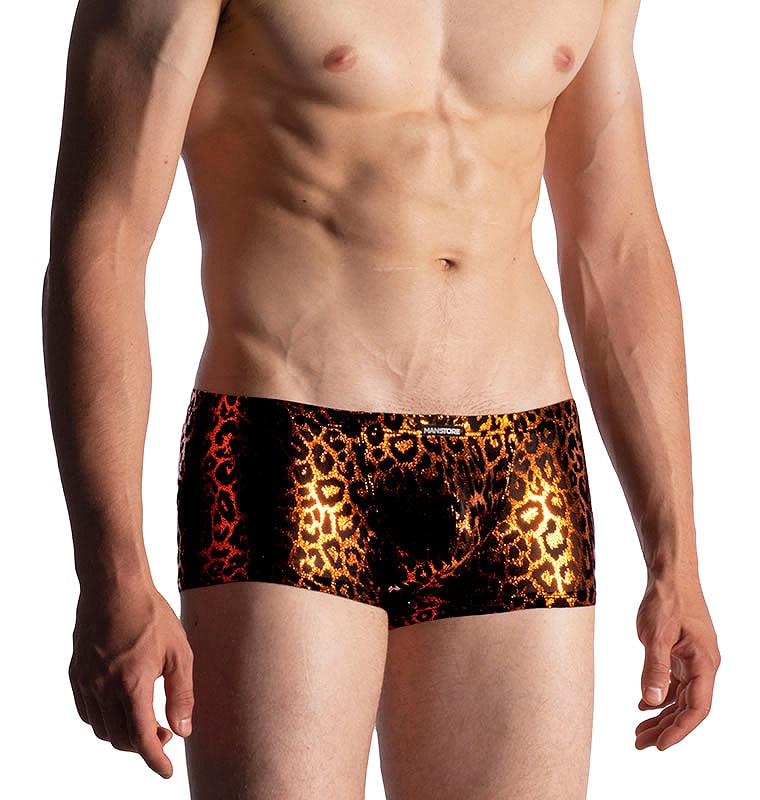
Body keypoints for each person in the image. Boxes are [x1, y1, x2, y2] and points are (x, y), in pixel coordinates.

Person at [41, 0, 720, 797]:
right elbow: (102, 245)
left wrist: (677, 557)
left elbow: (617, 245)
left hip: (522, 467)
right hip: (292, 455)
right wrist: (112, 571)